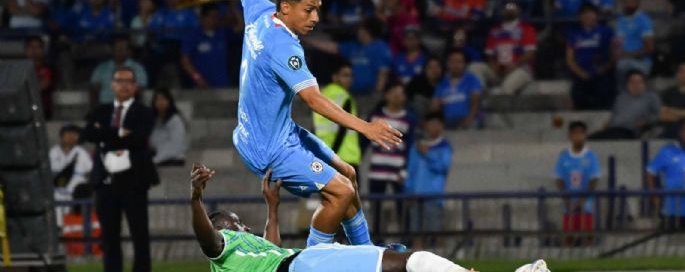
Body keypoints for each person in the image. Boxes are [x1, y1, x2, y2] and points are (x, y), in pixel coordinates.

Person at [230, 0, 401, 249]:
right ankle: (312, 262)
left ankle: (366, 255)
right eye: (309, 10)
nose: (315, 18)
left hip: (269, 132)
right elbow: (314, 100)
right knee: (340, 192)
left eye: (318, 10)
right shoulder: (286, 49)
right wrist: (365, 127)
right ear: (287, 8)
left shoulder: (262, 12)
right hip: (269, 149)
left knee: (349, 176)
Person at [190, 164, 551, 272]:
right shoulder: (221, 247)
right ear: (224, 227)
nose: (243, 225)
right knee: (409, 261)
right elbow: (206, 237)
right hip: (306, 266)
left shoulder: (246, 254)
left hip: (302, 262)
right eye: (237, 222)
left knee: (404, 262)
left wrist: (272, 207)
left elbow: (272, 249)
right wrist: (196, 198)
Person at [83, 66, 157, 272]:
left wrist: (106, 135)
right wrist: (121, 132)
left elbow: (139, 138)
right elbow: (89, 134)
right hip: (105, 182)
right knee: (109, 236)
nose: (123, 85)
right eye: (119, 80)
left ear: (135, 86)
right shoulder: (101, 110)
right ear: (112, 84)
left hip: (134, 181)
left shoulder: (144, 112)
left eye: (128, 81)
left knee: (139, 235)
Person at [366, 82, 417, 236]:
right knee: (376, 208)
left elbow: (411, 147)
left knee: (403, 208)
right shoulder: (375, 116)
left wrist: (405, 171)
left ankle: (406, 242)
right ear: (386, 95)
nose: (397, 96)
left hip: (398, 171)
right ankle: (376, 241)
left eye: (400, 93)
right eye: (394, 92)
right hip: (377, 169)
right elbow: (363, 143)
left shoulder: (409, 119)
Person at [405, 112, 452, 249]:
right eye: (428, 124)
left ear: (440, 126)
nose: (430, 127)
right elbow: (411, 170)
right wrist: (408, 190)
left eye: (433, 124)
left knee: (435, 232)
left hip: (433, 196)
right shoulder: (416, 147)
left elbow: (443, 167)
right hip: (415, 195)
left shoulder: (444, 146)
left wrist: (428, 154)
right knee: (416, 233)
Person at [307, 19, 392, 95]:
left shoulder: (380, 47)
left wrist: (377, 94)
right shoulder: (354, 46)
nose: (357, 31)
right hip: (351, 91)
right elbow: (332, 47)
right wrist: (306, 40)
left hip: (368, 93)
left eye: (360, 29)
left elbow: (383, 73)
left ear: (366, 31)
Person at [469, 0, 537, 95]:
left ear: (519, 10)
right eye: (506, 7)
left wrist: (515, 64)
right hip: (499, 71)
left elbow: (531, 53)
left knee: (506, 89)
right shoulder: (495, 30)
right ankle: (482, 95)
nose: (509, 9)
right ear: (502, 10)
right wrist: (493, 65)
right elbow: (490, 54)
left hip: (520, 69)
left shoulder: (526, 29)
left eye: (513, 6)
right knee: (474, 67)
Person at [312, 59, 361, 176]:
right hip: (345, 157)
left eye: (351, 76)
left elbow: (314, 127)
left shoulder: (320, 95)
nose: (349, 79)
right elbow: (343, 128)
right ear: (334, 77)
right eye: (345, 75)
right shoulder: (345, 97)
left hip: (323, 156)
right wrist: (334, 156)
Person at [554, 121, 601, 244]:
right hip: (569, 205)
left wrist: (581, 200)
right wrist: (567, 199)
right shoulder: (564, 156)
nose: (578, 137)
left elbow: (594, 180)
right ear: (570, 135)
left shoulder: (591, 156)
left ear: (585, 135)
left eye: (581, 133)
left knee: (587, 237)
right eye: (575, 133)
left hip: (586, 205)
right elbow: (559, 179)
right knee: (568, 237)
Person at [566, 5, 614, 110]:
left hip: (602, 72)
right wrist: (581, 73)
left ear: (596, 16)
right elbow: (570, 59)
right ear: (580, 17)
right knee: (578, 92)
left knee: (604, 88)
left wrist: (603, 69)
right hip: (581, 73)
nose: (588, 17)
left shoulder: (606, 31)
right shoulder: (574, 34)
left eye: (591, 13)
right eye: (585, 14)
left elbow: (613, 55)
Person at [589, 70, 661, 140]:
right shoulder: (620, 98)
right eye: (632, 82)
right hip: (613, 130)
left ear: (644, 83)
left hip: (630, 131)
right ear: (627, 84)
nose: (636, 85)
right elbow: (614, 116)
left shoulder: (651, 97)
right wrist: (608, 124)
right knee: (590, 139)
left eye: (639, 82)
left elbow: (658, 115)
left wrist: (646, 121)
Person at [646, 121, 685, 230]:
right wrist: (654, 195)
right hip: (673, 210)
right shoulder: (667, 151)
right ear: (681, 132)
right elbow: (650, 173)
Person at [180, 5, 230, 89]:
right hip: (201, 86)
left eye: (217, 17)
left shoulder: (223, 33)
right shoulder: (193, 36)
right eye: (212, 16)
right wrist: (197, 78)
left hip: (223, 84)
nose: (215, 20)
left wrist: (232, 6)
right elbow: (185, 62)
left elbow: (240, 26)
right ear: (203, 17)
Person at [431, 50, 482, 130]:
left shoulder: (472, 79)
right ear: (448, 64)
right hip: (447, 120)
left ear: (464, 64)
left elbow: (475, 102)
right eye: (453, 62)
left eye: (459, 62)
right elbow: (435, 104)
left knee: (474, 123)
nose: (456, 65)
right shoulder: (442, 82)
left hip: (467, 118)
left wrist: (469, 119)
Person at [90, 36, 148, 106]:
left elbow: (140, 90)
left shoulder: (138, 68)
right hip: (105, 106)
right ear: (112, 49)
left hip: (129, 108)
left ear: (128, 51)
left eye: (122, 49)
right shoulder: (101, 68)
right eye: (117, 48)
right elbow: (94, 90)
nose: (119, 51)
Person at [614, 0, 654, 83]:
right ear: (623, 2)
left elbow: (650, 48)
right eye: (628, 0)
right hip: (622, 64)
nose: (631, 3)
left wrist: (627, 55)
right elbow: (618, 43)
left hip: (639, 63)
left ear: (638, 2)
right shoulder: (620, 20)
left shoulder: (643, 20)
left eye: (634, 0)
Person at [50, 124, 92, 205]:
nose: (71, 136)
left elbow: (91, 171)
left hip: (76, 197)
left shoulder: (81, 152)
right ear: (62, 136)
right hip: (57, 196)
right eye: (68, 133)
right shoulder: (53, 152)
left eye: (74, 134)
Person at [150, 88, 188, 166]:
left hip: (173, 158)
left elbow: (176, 145)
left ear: (169, 101)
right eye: (158, 100)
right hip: (157, 155)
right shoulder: (152, 119)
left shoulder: (176, 120)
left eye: (163, 99)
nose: (161, 102)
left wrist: (156, 159)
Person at [25, 35, 54, 118]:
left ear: (43, 50)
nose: (34, 51)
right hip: (23, 109)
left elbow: (43, 86)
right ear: (25, 50)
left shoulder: (49, 69)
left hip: (43, 111)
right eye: (31, 47)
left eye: (38, 47)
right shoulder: (19, 69)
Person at [660, 63, 685, 139]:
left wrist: (673, 111)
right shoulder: (668, 93)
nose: (684, 74)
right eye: (681, 71)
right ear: (677, 74)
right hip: (670, 135)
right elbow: (663, 115)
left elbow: (669, 113)